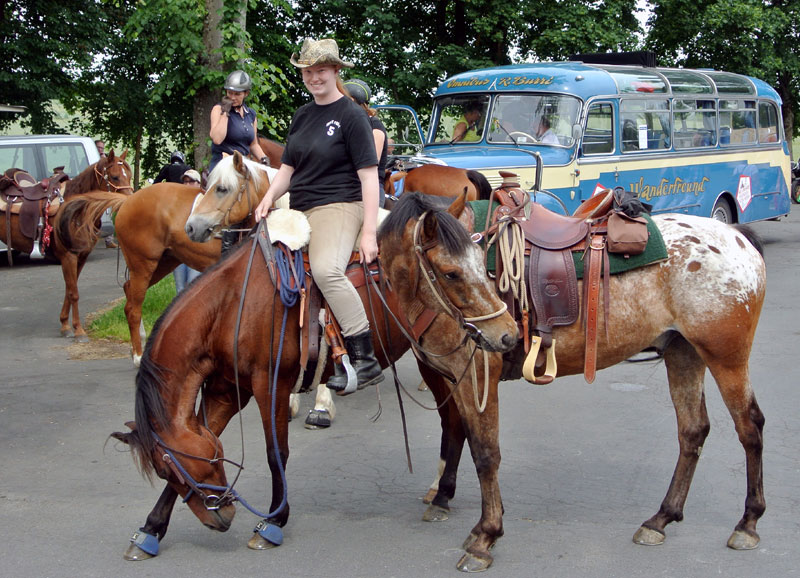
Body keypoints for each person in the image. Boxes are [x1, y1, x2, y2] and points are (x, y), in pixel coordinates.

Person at [253, 38, 384, 395]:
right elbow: (287, 168)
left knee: (326, 270)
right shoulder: (303, 115)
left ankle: (364, 356)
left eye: (321, 70)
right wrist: (267, 199)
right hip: (299, 207)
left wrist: (368, 231)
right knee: (258, 261)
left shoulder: (352, 116)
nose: (314, 77)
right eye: (308, 71)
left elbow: (369, 177)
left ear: (336, 71)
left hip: (339, 205)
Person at [209, 70, 270, 173]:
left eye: (237, 94)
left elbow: (253, 145)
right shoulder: (218, 109)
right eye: (230, 93)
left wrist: (264, 159)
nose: (232, 97)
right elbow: (217, 139)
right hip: (222, 164)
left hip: (242, 165)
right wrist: (225, 112)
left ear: (246, 93)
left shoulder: (251, 114)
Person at [344, 78, 388, 208]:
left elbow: (373, 159)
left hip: (367, 187)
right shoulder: (344, 125)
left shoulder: (375, 125)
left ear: (351, 101)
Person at [173, 169, 203, 294]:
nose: (187, 185)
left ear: (199, 184)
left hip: (197, 250)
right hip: (180, 250)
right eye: (185, 182)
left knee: (193, 285)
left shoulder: (204, 201)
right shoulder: (176, 202)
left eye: (191, 181)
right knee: (180, 288)